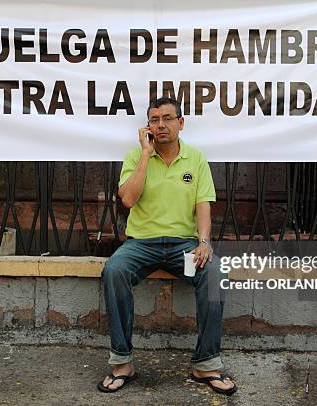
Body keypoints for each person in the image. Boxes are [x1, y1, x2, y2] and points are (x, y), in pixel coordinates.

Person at [97, 97, 237, 396]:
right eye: (155, 119)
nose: (161, 125)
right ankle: (122, 363)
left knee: (214, 274)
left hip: (183, 245)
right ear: (148, 126)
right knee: (114, 270)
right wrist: (147, 155)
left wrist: (203, 242)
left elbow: (203, 205)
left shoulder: (196, 158)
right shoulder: (136, 156)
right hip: (142, 244)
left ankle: (206, 364)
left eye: (168, 118)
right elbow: (128, 200)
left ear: (180, 123)